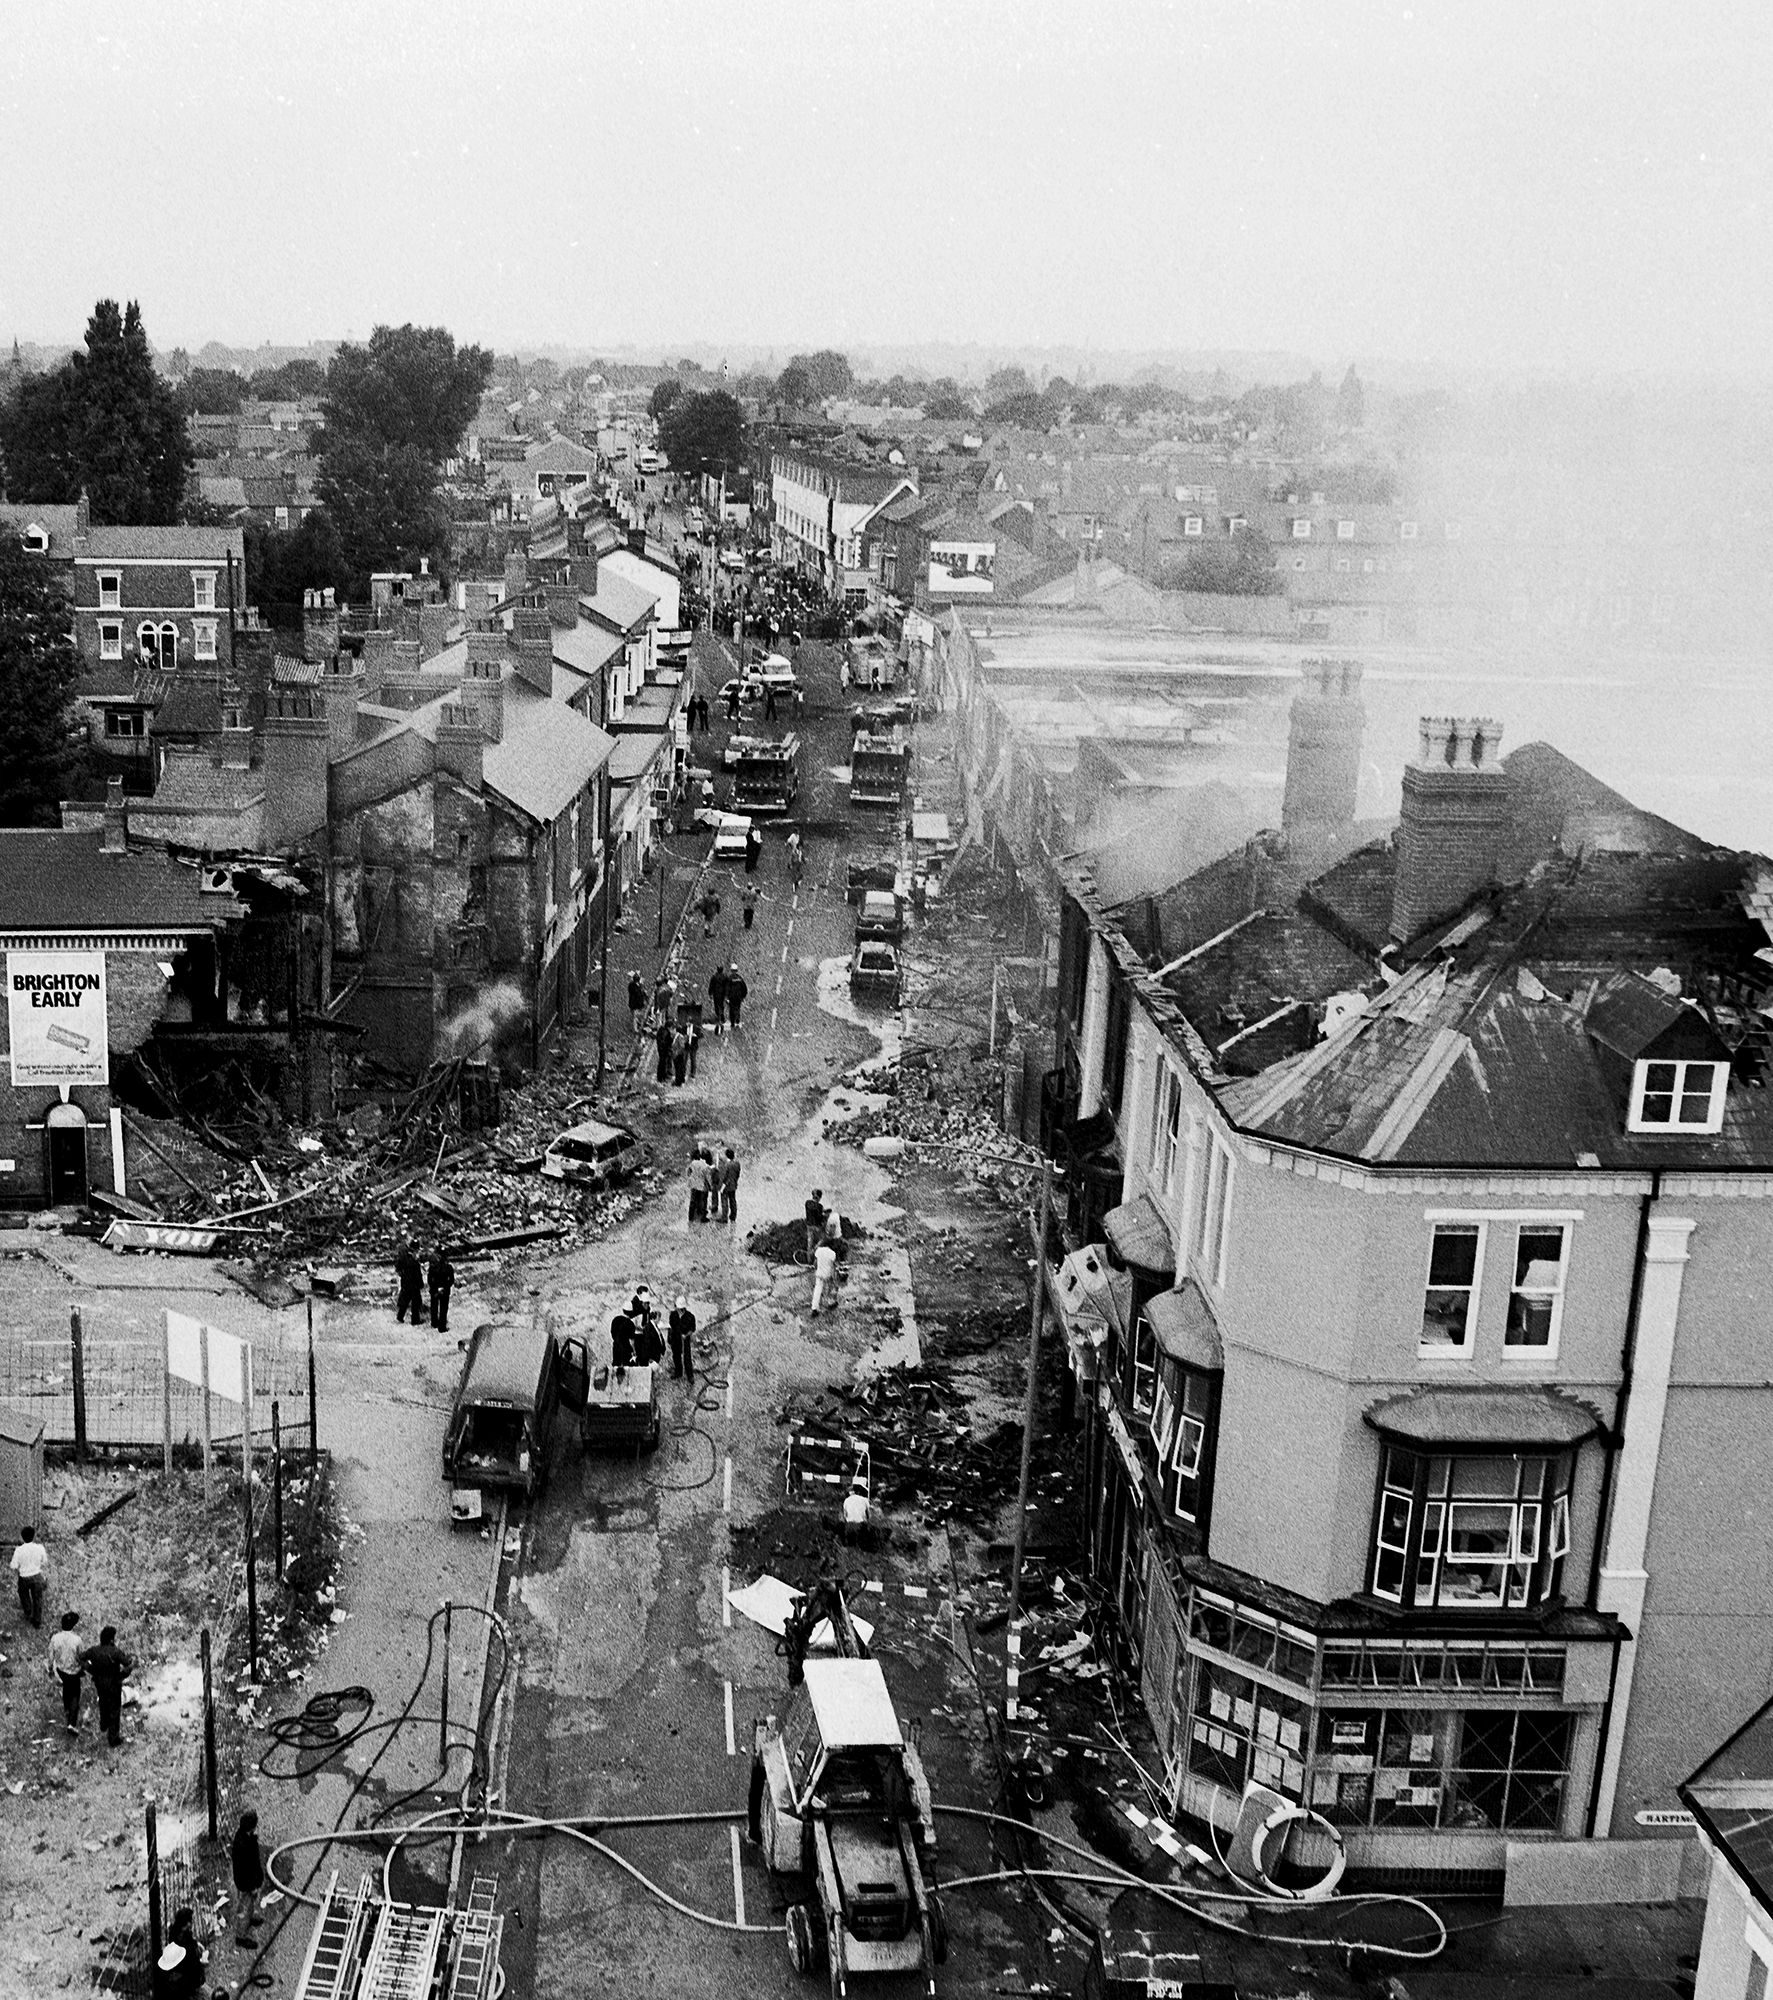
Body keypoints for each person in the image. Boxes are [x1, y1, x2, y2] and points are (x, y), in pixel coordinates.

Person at [84, 1623, 134, 1747]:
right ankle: (113, 1738)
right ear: (112, 1639)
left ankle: (104, 1723)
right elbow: (127, 1662)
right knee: (115, 1709)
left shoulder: (94, 1650)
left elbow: (81, 1658)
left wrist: (91, 1669)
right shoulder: (115, 1652)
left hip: (100, 1683)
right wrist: (124, 1674)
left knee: (103, 1702)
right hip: (114, 1684)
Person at [231, 1809, 265, 1943]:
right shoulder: (245, 1845)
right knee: (245, 1906)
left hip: (246, 1881)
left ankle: (249, 1919)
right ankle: (241, 1935)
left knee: (250, 1903)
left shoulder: (243, 1837)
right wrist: (253, 1885)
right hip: (247, 1883)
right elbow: (249, 1868)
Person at [49, 1610, 84, 1733]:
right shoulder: (77, 1640)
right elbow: (80, 1656)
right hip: (73, 1671)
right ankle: (71, 1723)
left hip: (61, 1670)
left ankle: (66, 1708)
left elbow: (50, 1656)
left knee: (66, 1690)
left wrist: (50, 1668)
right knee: (75, 1695)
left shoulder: (55, 1638)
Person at [11, 1522, 45, 1628]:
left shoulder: (19, 1550)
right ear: (33, 1536)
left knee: (23, 1593)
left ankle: (28, 1610)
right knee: (37, 1598)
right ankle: (37, 1620)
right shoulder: (40, 1548)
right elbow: (44, 1561)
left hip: (24, 1577)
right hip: (36, 1575)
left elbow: (14, 1565)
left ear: (22, 1537)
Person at [668, 1296, 696, 1381]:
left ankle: (690, 1375)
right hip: (675, 1339)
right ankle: (678, 1372)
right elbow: (671, 1326)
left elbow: (692, 1329)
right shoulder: (673, 1315)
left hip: (685, 1340)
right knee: (676, 1356)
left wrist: (686, 1335)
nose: (678, 1309)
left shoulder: (690, 1316)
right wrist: (670, 1338)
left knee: (687, 1357)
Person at [394, 1242, 423, 1324]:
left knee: (405, 1301)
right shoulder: (414, 1261)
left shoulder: (403, 1257)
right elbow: (418, 1274)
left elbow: (398, 1269)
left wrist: (403, 1276)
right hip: (414, 1284)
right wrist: (420, 1284)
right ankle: (415, 1320)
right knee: (415, 1302)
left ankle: (400, 1316)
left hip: (405, 1282)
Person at [427, 1248, 455, 1333]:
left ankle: (434, 1322)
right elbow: (451, 1280)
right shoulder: (449, 1267)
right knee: (443, 1308)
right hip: (445, 1290)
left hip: (434, 1290)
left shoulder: (432, 1268)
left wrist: (436, 1288)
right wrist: (444, 1287)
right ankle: (442, 1327)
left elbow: (429, 1280)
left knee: (434, 1307)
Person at [812, 1238, 838, 1314]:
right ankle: (829, 1303)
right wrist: (833, 1276)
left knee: (817, 1290)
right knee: (829, 1289)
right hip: (827, 1274)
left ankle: (814, 1308)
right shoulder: (832, 1253)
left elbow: (815, 1263)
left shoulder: (818, 1251)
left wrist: (815, 1268)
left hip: (819, 1273)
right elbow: (833, 1266)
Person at [718, 1146, 741, 1222]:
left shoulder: (726, 1165)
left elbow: (724, 1177)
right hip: (733, 1184)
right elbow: (738, 1174)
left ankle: (724, 1217)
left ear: (727, 1156)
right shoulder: (737, 1164)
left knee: (724, 1202)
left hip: (726, 1186)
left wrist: (721, 1187)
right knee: (733, 1200)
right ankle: (733, 1215)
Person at [610, 1305, 637, 1370]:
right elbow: (631, 1340)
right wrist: (634, 1351)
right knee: (626, 1368)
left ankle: (614, 1379)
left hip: (616, 1346)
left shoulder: (615, 1320)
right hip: (626, 1347)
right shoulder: (630, 1323)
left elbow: (612, 1332)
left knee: (616, 1365)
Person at [688, 1149, 710, 1225]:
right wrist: (710, 1186)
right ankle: (703, 1217)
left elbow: (688, 1172)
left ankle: (690, 1216)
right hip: (702, 1185)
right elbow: (708, 1178)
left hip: (693, 1184)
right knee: (703, 1201)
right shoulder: (706, 1166)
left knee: (693, 1200)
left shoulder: (693, 1163)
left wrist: (691, 1178)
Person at [804, 1189, 827, 1262]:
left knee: (810, 1242)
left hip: (808, 1226)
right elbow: (819, 1218)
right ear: (819, 1197)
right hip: (816, 1227)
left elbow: (812, 1209)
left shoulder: (807, 1203)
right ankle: (814, 1251)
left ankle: (809, 1261)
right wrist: (824, 1215)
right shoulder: (820, 1206)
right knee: (823, 1239)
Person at [709, 964, 729, 1033]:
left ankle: (718, 1016)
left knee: (716, 1005)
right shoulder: (725, 977)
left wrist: (710, 993)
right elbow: (727, 986)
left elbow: (711, 985)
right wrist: (726, 994)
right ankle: (721, 1016)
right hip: (722, 994)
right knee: (721, 1005)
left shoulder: (714, 977)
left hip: (716, 993)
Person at [654, 1017, 674, 1084]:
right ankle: (662, 1078)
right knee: (664, 1064)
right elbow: (665, 1042)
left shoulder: (661, 1030)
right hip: (664, 1051)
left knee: (662, 1063)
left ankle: (661, 1077)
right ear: (669, 1026)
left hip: (661, 1050)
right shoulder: (666, 1032)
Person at [628, 971, 647, 1036]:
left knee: (635, 1016)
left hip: (634, 1004)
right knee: (634, 1017)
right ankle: (635, 1029)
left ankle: (634, 1027)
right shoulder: (635, 987)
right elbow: (639, 994)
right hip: (635, 1004)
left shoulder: (631, 985)